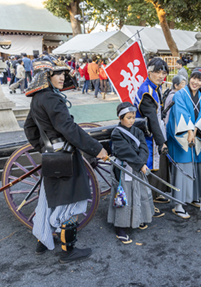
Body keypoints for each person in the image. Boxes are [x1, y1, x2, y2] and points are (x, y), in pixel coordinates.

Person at [24, 55, 108, 263]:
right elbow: (68, 128)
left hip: (52, 157)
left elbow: (29, 128)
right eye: (58, 73)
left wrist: (45, 148)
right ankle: (68, 251)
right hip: (67, 157)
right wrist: (97, 149)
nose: (63, 77)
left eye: (63, 73)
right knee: (74, 200)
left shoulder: (38, 97)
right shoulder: (52, 98)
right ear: (46, 75)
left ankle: (42, 243)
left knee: (50, 200)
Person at [108, 102, 156, 244]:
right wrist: (140, 164)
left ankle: (138, 218)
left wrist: (141, 162)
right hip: (123, 168)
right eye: (128, 117)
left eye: (133, 117)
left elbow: (144, 148)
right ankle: (120, 227)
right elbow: (125, 152)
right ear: (120, 117)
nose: (131, 120)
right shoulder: (117, 133)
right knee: (124, 196)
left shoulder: (137, 131)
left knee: (139, 193)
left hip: (137, 167)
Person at [167, 68, 201, 219]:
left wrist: (196, 130)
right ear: (189, 78)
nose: (195, 82)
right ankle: (178, 204)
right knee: (183, 168)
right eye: (194, 78)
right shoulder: (180, 94)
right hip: (182, 136)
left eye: (199, 80)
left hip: (195, 137)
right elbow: (180, 113)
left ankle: (194, 197)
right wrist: (190, 130)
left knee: (196, 166)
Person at [135, 57, 170, 207]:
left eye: (163, 72)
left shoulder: (156, 87)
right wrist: (161, 142)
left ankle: (154, 195)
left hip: (153, 132)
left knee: (158, 165)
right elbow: (152, 120)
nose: (161, 75)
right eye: (157, 72)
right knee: (149, 166)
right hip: (145, 135)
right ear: (149, 72)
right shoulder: (147, 91)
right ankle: (146, 205)